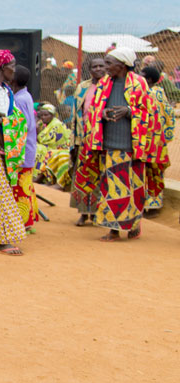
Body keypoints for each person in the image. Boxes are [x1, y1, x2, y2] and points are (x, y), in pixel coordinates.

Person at [75, 47, 153, 242]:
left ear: (122, 64)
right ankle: (115, 229)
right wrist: (101, 114)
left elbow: (149, 114)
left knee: (133, 188)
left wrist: (128, 111)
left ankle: (133, 225)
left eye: (109, 63)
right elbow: (94, 109)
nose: (105, 67)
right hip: (109, 143)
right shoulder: (104, 83)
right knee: (113, 187)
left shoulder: (139, 83)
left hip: (132, 145)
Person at [0, 50, 27, 256]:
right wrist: (5, 122)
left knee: (0, 190)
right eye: (12, 65)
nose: (14, 69)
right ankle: (1, 238)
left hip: (4, 148)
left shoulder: (5, 90)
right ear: (2, 67)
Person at [70, 57, 106, 226]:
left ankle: (98, 213)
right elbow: (75, 117)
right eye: (94, 66)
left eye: (101, 65)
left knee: (101, 176)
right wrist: (75, 142)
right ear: (89, 70)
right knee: (84, 175)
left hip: (103, 139)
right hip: (84, 138)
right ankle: (84, 213)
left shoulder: (109, 87)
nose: (98, 69)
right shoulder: (82, 87)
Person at [141, 65, 174, 214]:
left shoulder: (143, 93)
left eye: (141, 74)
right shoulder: (160, 93)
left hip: (144, 140)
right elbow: (169, 116)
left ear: (148, 79)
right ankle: (154, 203)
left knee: (143, 171)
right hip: (158, 141)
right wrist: (166, 137)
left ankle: (143, 203)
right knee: (155, 172)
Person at [10, 65, 39, 232]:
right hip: (28, 148)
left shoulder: (19, 99)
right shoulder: (25, 95)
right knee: (26, 185)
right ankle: (30, 217)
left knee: (21, 188)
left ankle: (24, 222)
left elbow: (23, 124)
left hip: (23, 150)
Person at [35, 103, 73, 189]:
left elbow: (49, 141)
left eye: (46, 115)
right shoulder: (43, 124)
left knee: (42, 150)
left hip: (62, 147)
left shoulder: (56, 124)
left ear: (52, 115)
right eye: (42, 115)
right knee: (38, 148)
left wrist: (37, 130)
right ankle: (43, 178)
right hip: (52, 147)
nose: (43, 117)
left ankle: (42, 178)